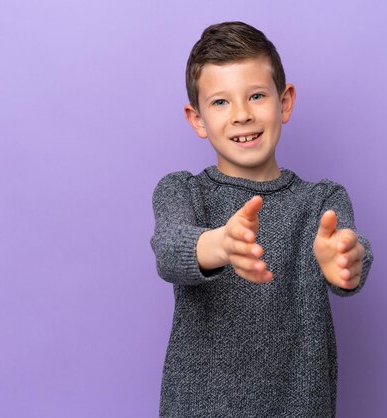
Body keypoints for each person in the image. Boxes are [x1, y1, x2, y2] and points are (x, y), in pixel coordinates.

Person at [150, 21, 373, 417]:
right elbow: (170, 248)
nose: (241, 115)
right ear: (197, 118)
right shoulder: (181, 191)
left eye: (256, 96)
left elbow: (349, 251)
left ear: (284, 102)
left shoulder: (321, 200)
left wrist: (344, 260)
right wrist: (220, 244)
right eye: (220, 102)